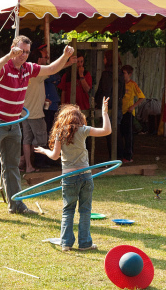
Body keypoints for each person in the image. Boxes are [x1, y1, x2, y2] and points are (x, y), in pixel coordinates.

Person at [0, 35, 74, 221]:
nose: (24, 55)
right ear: (14, 48)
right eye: (21, 51)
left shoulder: (28, 69)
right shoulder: (4, 67)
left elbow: (52, 68)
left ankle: (17, 205)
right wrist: (8, 56)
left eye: (27, 52)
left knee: (12, 166)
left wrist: (64, 56)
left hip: (14, 123)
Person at [34, 97, 111, 252]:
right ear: (79, 118)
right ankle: (84, 243)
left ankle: (66, 244)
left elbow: (55, 156)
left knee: (68, 210)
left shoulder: (60, 133)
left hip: (68, 177)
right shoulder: (82, 130)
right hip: (85, 176)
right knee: (85, 210)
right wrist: (104, 113)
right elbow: (107, 130)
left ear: (62, 118)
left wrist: (43, 151)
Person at [21, 49, 49, 173]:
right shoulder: (37, 74)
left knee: (26, 140)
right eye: (44, 57)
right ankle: (23, 161)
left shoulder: (25, 72)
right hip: (36, 114)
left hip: (24, 112)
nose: (46, 59)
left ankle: (28, 165)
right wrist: (68, 61)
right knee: (41, 140)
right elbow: (54, 69)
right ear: (38, 60)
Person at [95, 50, 125, 160]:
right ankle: (118, 157)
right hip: (117, 105)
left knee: (110, 132)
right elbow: (122, 92)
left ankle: (114, 158)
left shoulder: (107, 73)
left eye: (105, 57)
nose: (103, 60)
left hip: (109, 106)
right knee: (116, 131)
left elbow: (105, 90)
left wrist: (101, 104)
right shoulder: (120, 73)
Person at [121, 65, 145, 163]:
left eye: (124, 73)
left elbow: (142, 97)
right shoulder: (120, 83)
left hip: (128, 112)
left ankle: (128, 156)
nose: (123, 75)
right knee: (120, 134)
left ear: (130, 74)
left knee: (128, 135)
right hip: (119, 112)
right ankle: (121, 154)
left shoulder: (133, 84)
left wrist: (133, 106)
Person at [58, 51, 92, 118]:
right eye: (78, 62)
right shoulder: (67, 75)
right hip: (69, 108)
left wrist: (81, 75)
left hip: (83, 107)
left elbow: (87, 89)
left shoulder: (86, 74)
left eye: (81, 62)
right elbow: (63, 92)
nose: (80, 64)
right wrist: (62, 106)